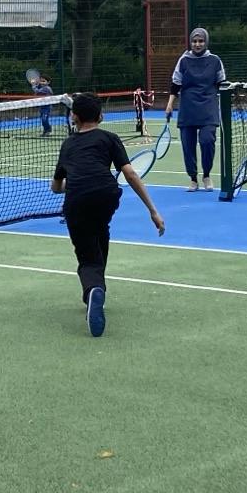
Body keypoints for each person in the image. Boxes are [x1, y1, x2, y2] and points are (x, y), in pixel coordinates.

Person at [51, 90, 165, 337]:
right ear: (101, 116)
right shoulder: (110, 138)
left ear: (74, 117)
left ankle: (94, 288)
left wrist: (76, 183)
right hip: (107, 196)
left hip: (77, 201)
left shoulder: (68, 145)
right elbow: (130, 174)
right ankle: (96, 289)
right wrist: (153, 211)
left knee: (87, 257)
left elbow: (56, 187)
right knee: (99, 232)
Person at [166, 27, 228, 191]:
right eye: (194, 41)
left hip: (208, 107)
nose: (197, 44)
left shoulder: (215, 60)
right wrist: (170, 104)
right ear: (190, 42)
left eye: (201, 41)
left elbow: (222, 83)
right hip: (188, 108)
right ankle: (193, 178)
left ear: (206, 42)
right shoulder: (183, 60)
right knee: (188, 145)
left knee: (207, 141)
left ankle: (206, 175)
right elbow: (175, 84)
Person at [29, 70, 56, 135]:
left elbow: (37, 91)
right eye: (41, 81)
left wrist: (33, 85)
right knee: (43, 120)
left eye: (44, 81)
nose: (42, 82)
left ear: (48, 82)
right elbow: (38, 92)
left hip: (47, 107)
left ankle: (49, 130)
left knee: (44, 119)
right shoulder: (42, 87)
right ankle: (45, 131)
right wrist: (36, 84)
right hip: (42, 107)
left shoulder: (47, 88)